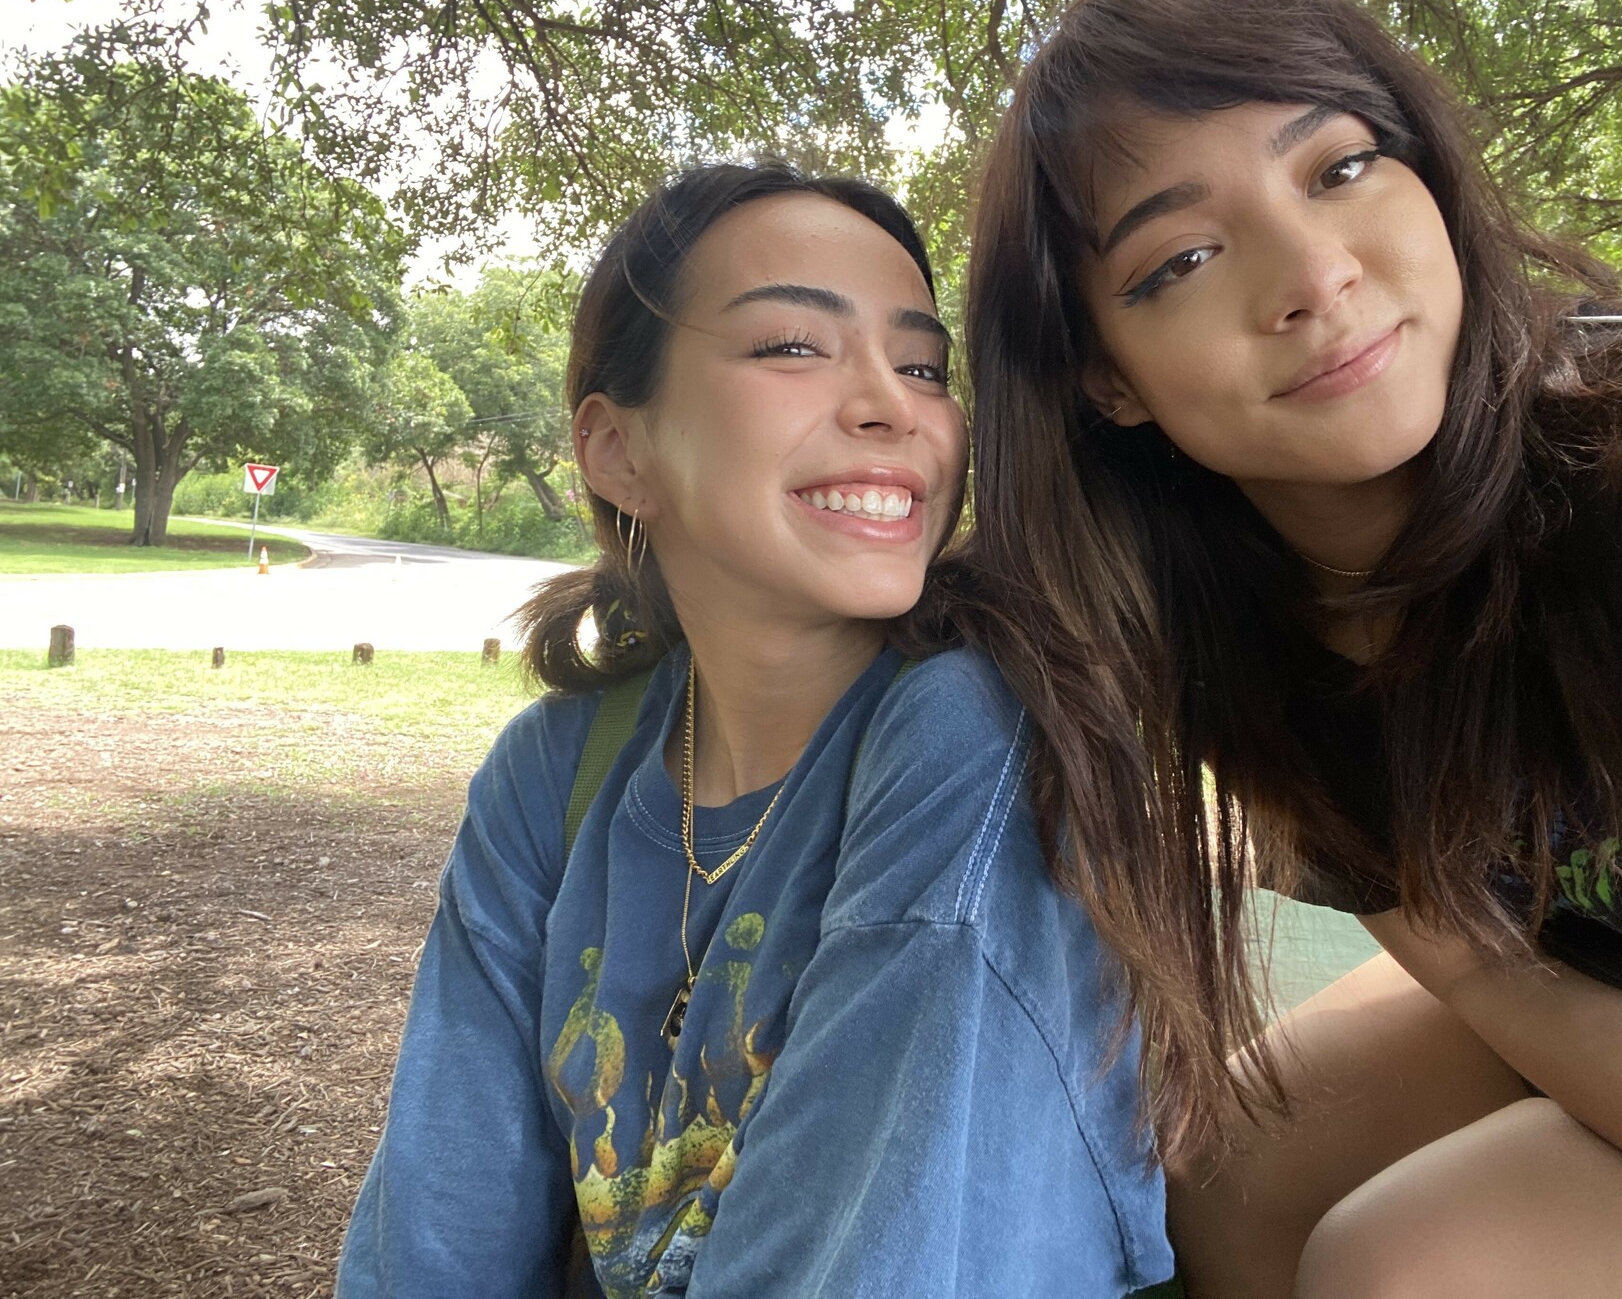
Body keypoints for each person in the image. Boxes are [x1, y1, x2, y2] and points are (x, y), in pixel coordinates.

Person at [934, 0, 1622, 1297]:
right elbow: (1505, 980)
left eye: (1340, 168)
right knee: (1214, 1187)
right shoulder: (1229, 626)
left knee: (1407, 1268)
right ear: (1106, 377)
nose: (1315, 274)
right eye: (1184, 258)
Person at [335, 163, 1173, 1298]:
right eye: (791, 346)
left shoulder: (973, 735)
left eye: (923, 367)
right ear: (618, 451)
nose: (892, 405)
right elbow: (438, 1231)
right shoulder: (557, 771)